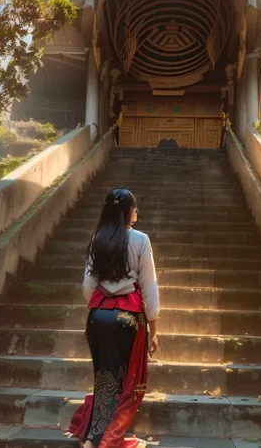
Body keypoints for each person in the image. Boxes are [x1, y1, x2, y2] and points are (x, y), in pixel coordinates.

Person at [69, 188, 160, 448]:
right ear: (127, 211)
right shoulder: (140, 240)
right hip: (127, 320)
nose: (136, 212)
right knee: (121, 384)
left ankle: (91, 438)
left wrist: (98, 309)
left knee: (103, 379)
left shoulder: (97, 239)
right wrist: (154, 329)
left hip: (98, 317)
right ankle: (102, 441)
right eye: (134, 208)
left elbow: (88, 286)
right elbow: (149, 288)